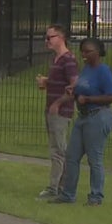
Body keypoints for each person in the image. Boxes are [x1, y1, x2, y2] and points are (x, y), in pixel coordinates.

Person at [49, 37, 112, 206]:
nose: (84, 54)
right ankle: (68, 193)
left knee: (95, 158)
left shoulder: (103, 71)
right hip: (83, 117)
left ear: (98, 52)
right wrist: (73, 90)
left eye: (88, 51)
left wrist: (89, 99)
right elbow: (80, 87)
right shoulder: (87, 69)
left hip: (98, 116)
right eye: (83, 51)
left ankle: (96, 196)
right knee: (72, 156)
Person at [35, 24, 77, 200]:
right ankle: (62, 186)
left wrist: (58, 103)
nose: (47, 41)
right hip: (52, 108)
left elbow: (74, 86)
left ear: (61, 37)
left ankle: (56, 187)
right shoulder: (56, 59)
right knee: (57, 148)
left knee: (58, 150)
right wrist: (47, 82)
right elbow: (61, 83)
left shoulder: (68, 60)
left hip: (60, 111)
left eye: (50, 37)